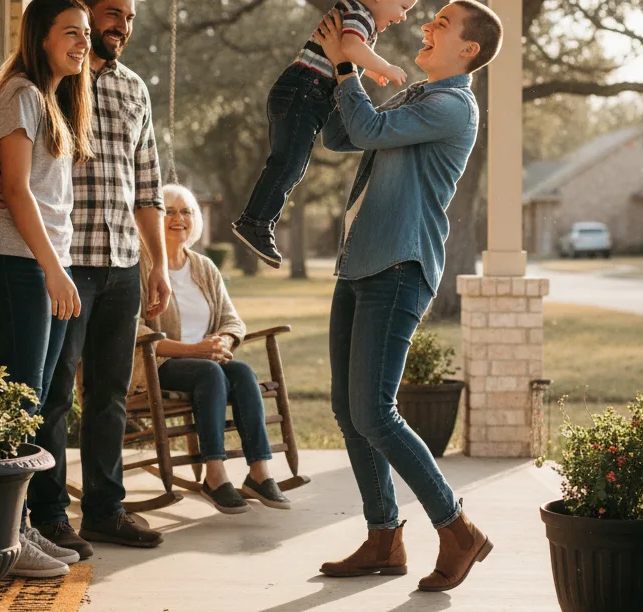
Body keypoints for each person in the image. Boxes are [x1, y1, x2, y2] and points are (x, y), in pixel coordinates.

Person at [0, 0, 171, 562]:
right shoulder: (32, 85)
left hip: (115, 258)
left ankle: (103, 509)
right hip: (55, 260)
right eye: (108, 13)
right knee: (45, 395)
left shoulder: (119, 90)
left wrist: (159, 263)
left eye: (128, 17)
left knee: (106, 396)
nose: (117, 26)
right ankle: (43, 517)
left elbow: (148, 183)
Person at [312, 0, 503, 592]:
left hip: (398, 266)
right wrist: (331, 65)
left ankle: (457, 528)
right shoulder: (419, 97)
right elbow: (343, 133)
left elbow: (365, 127)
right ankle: (383, 537)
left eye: (442, 23)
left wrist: (351, 69)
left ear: (468, 50)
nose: (427, 25)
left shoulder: (451, 105)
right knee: (349, 410)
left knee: (374, 410)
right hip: (360, 264)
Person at [0, 0, 93, 578]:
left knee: (33, 404)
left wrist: (54, 265)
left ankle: (17, 529)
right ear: (40, 37)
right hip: (18, 261)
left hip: (39, 262)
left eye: (86, 33)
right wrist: (53, 269)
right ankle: (8, 537)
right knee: (20, 404)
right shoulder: (20, 93)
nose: (83, 43)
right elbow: (17, 191)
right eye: (71, 32)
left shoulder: (46, 98)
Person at [134, 185, 292, 514]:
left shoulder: (204, 267)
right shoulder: (141, 267)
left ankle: (259, 472)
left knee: (243, 373)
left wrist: (223, 341)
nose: (179, 218)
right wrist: (195, 349)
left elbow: (232, 320)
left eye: (186, 211)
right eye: (169, 211)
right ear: (154, 219)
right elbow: (135, 330)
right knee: (210, 373)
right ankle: (215, 475)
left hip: (206, 362)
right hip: (158, 364)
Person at [231, 0, 417, 269]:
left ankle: (380, 138)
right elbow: (350, 47)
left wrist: (372, 68)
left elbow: (348, 53)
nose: (402, 17)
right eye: (402, 6)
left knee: (320, 149)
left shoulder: (359, 16)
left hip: (313, 95)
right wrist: (385, 67)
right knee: (289, 164)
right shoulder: (360, 15)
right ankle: (255, 222)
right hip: (305, 93)